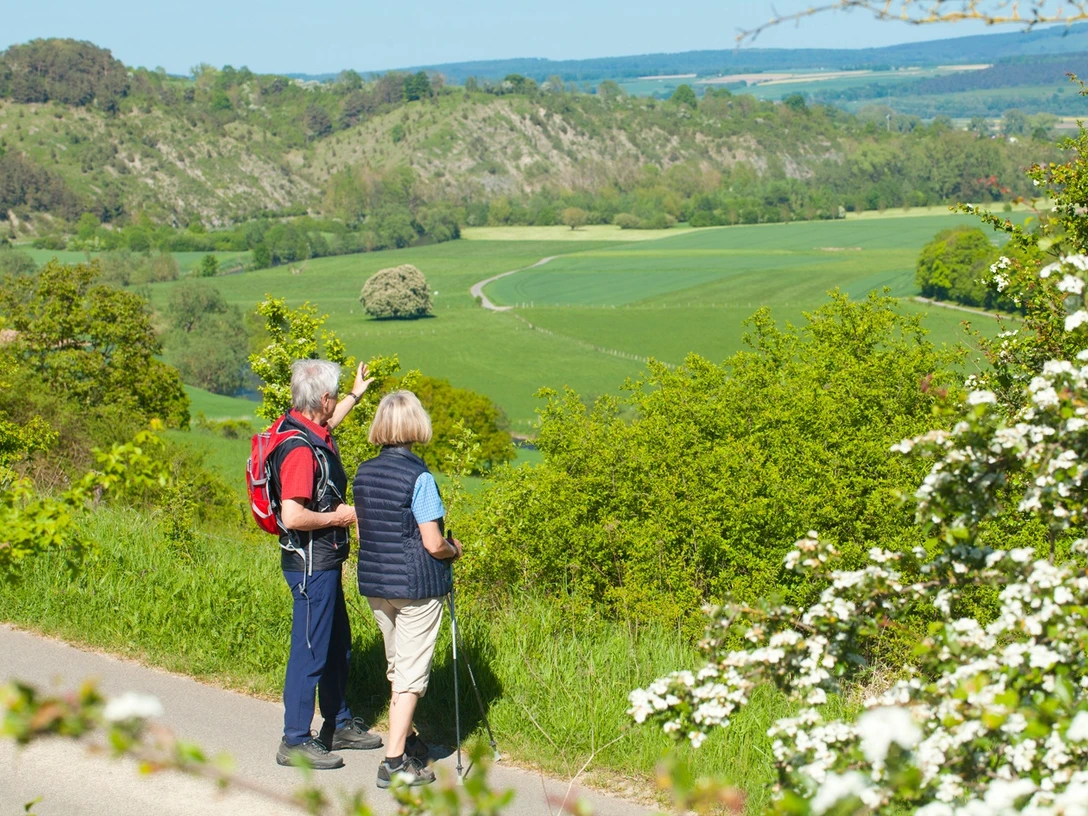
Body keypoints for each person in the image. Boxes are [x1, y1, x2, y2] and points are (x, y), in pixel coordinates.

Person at [273, 359, 383, 770]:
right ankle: (295, 740)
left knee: (337, 643)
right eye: (334, 395)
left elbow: (330, 421)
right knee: (310, 650)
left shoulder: (305, 427)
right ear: (321, 398)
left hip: (322, 560)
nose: (335, 403)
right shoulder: (301, 452)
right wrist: (342, 516)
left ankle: (336, 724)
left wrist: (355, 393)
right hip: (310, 565)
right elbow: (294, 515)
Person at [353, 390, 463, 788]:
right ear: (416, 425)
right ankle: (394, 762)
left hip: (376, 583)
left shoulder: (364, 472)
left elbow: (367, 531)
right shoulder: (421, 477)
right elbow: (433, 543)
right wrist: (455, 549)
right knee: (410, 675)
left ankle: (410, 740)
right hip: (416, 586)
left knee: (397, 666)